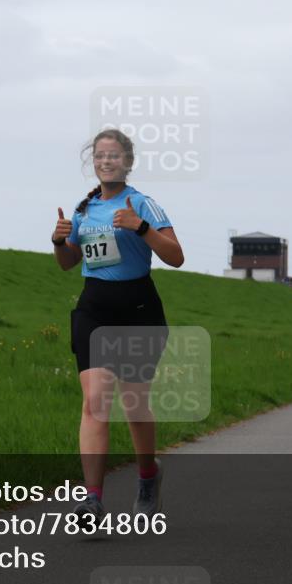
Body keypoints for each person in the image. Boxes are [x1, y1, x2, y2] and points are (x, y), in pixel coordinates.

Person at [52, 128, 184, 525]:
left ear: (127, 161)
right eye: (98, 156)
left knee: (134, 404)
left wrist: (140, 227)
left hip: (138, 309)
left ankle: (148, 475)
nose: (105, 161)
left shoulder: (143, 204)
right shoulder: (84, 209)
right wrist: (60, 242)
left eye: (112, 155)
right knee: (94, 403)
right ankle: (92, 498)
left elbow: (176, 256)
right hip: (94, 308)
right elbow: (69, 262)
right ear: (92, 163)